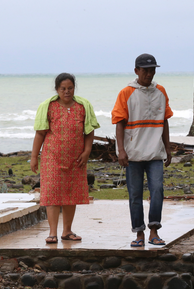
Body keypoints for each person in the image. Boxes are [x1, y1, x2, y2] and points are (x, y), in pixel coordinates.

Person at [111, 53, 173, 247]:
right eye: (145, 70)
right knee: (135, 194)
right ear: (136, 71)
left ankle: (154, 231)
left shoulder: (161, 91)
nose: (149, 74)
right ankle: (139, 233)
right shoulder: (126, 93)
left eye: (152, 70)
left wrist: (168, 148)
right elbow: (119, 123)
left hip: (155, 152)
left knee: (157, 190)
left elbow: (164, 121)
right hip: (133, 154)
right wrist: (121, 150)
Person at [30, 73, 100, 244]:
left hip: (76, 159)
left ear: (74, 88)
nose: (67, 92)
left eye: (70, 88)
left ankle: (67, 231)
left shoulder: (83, 106)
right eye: (63, 89)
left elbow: (89, 132)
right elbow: (40, 133)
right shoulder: (48, 106)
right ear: (57, 89)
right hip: (52, 158)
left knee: (71, 194)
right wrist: (34, 157)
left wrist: (87, 152)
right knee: (52, 194)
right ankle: (52, 232)